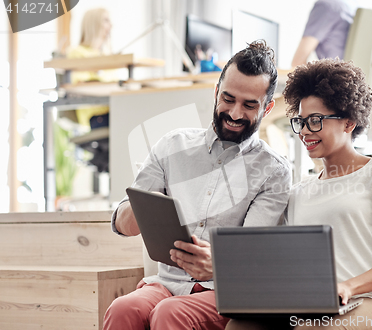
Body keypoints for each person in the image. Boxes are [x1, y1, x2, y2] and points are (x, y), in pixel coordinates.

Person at [103, 40, 292, 330]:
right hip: (167, 283)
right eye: (228, 99)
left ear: (267, 108)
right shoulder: (172, 145)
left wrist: (216, 263)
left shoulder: (273, 170)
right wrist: (139, 209)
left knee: (170, 313)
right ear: (216, 92)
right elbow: (122, 223)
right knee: (122, 308)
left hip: (224, 291)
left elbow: (248, 253)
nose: (235, 113)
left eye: (249, 105)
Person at [227, 59, 372, 330]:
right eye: (301, 121)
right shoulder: (299, 192)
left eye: (315, 121)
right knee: (240, 326)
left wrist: (347, 287)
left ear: (349, 122)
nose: (305, 131)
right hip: (316, 306)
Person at [291, 0, 372, 67]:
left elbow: (297, 63)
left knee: (271, 105)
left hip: (330, 96)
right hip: (354, 97)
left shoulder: (327, 5)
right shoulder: (355, 9)